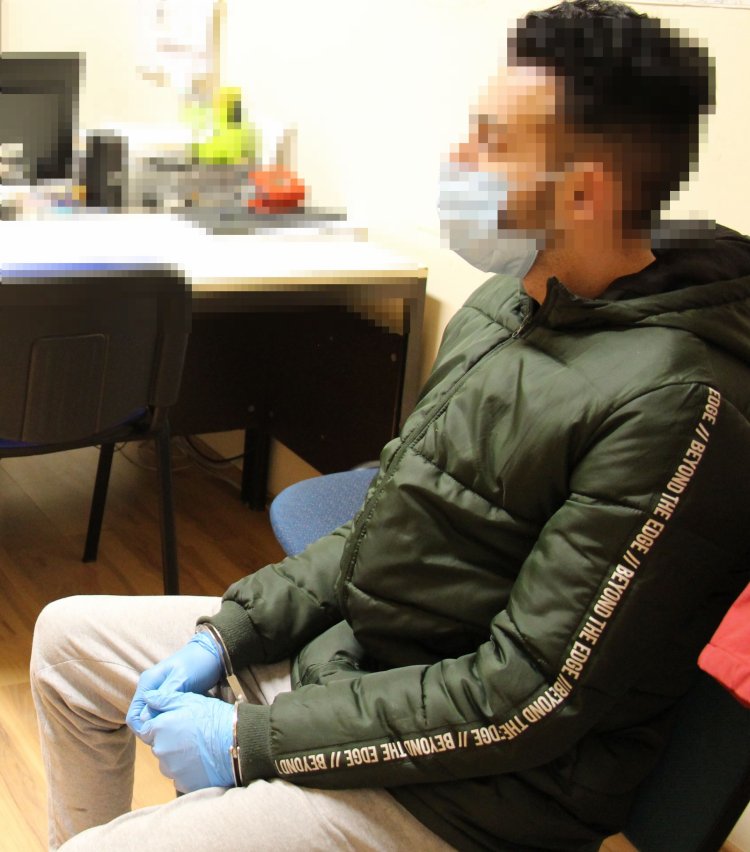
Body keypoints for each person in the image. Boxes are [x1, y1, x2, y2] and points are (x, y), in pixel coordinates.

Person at [31, 1, 750, 850]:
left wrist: (253, 741)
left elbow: (528, 697)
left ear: (585, 190)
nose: (459, 160)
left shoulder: (677, 403)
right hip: (369, 669)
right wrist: (231, 631)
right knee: (67, 643)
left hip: (478, 788)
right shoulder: (509, 305)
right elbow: (388, 521)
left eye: (490, 141)